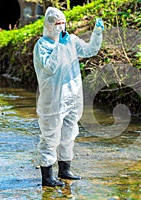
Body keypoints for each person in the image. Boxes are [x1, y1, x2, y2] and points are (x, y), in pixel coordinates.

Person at [33, 7, 104, 187]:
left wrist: (97, 33)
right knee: (50, 136)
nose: (61, 26)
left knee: (69, 134)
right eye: (57, 23)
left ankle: (65, 170)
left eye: (63, 22)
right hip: (53, 100)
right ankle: (47, 176)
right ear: (48, 25)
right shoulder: (42, 46)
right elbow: (50, 68)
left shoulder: (70, 40)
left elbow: (90, 50)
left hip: (73, 96)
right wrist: (60, 47)